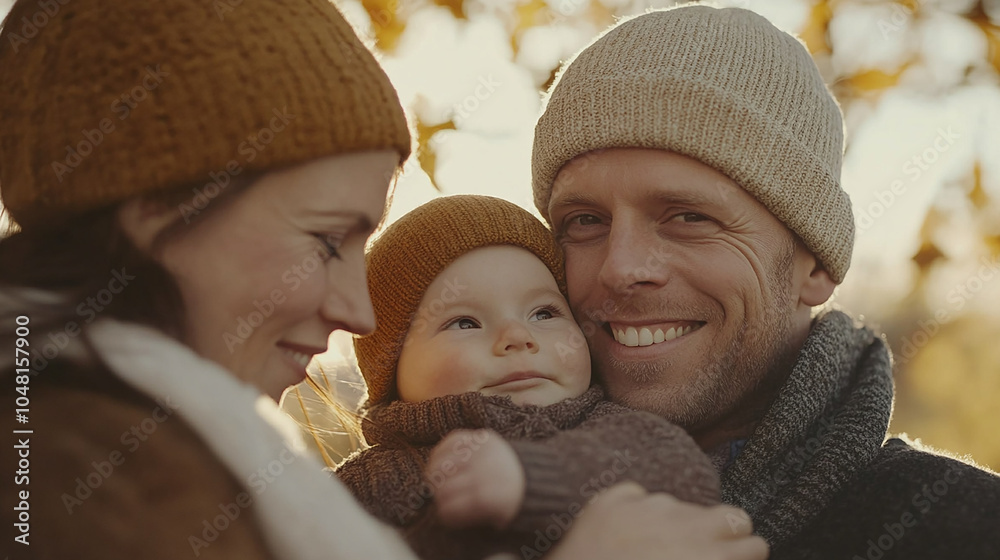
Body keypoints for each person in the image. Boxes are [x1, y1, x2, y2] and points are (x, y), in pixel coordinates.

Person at [0, 1, 767, 559]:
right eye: (326, 239)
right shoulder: (68, 476)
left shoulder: (201, 453)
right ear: (157, 208)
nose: (358, 313)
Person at [530, 5, 1000, 560]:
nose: (619, 267)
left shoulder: (961, 529)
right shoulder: (438, 495)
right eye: (584, 221)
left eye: (688, 217)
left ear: (817, 266)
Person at [338, 194, 720, 560]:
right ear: (390, 371)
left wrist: (529, 479)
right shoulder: (361, 485)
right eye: (465, 323)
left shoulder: (616, 430)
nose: (518, 338)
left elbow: (686, 475)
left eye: (544, 314)